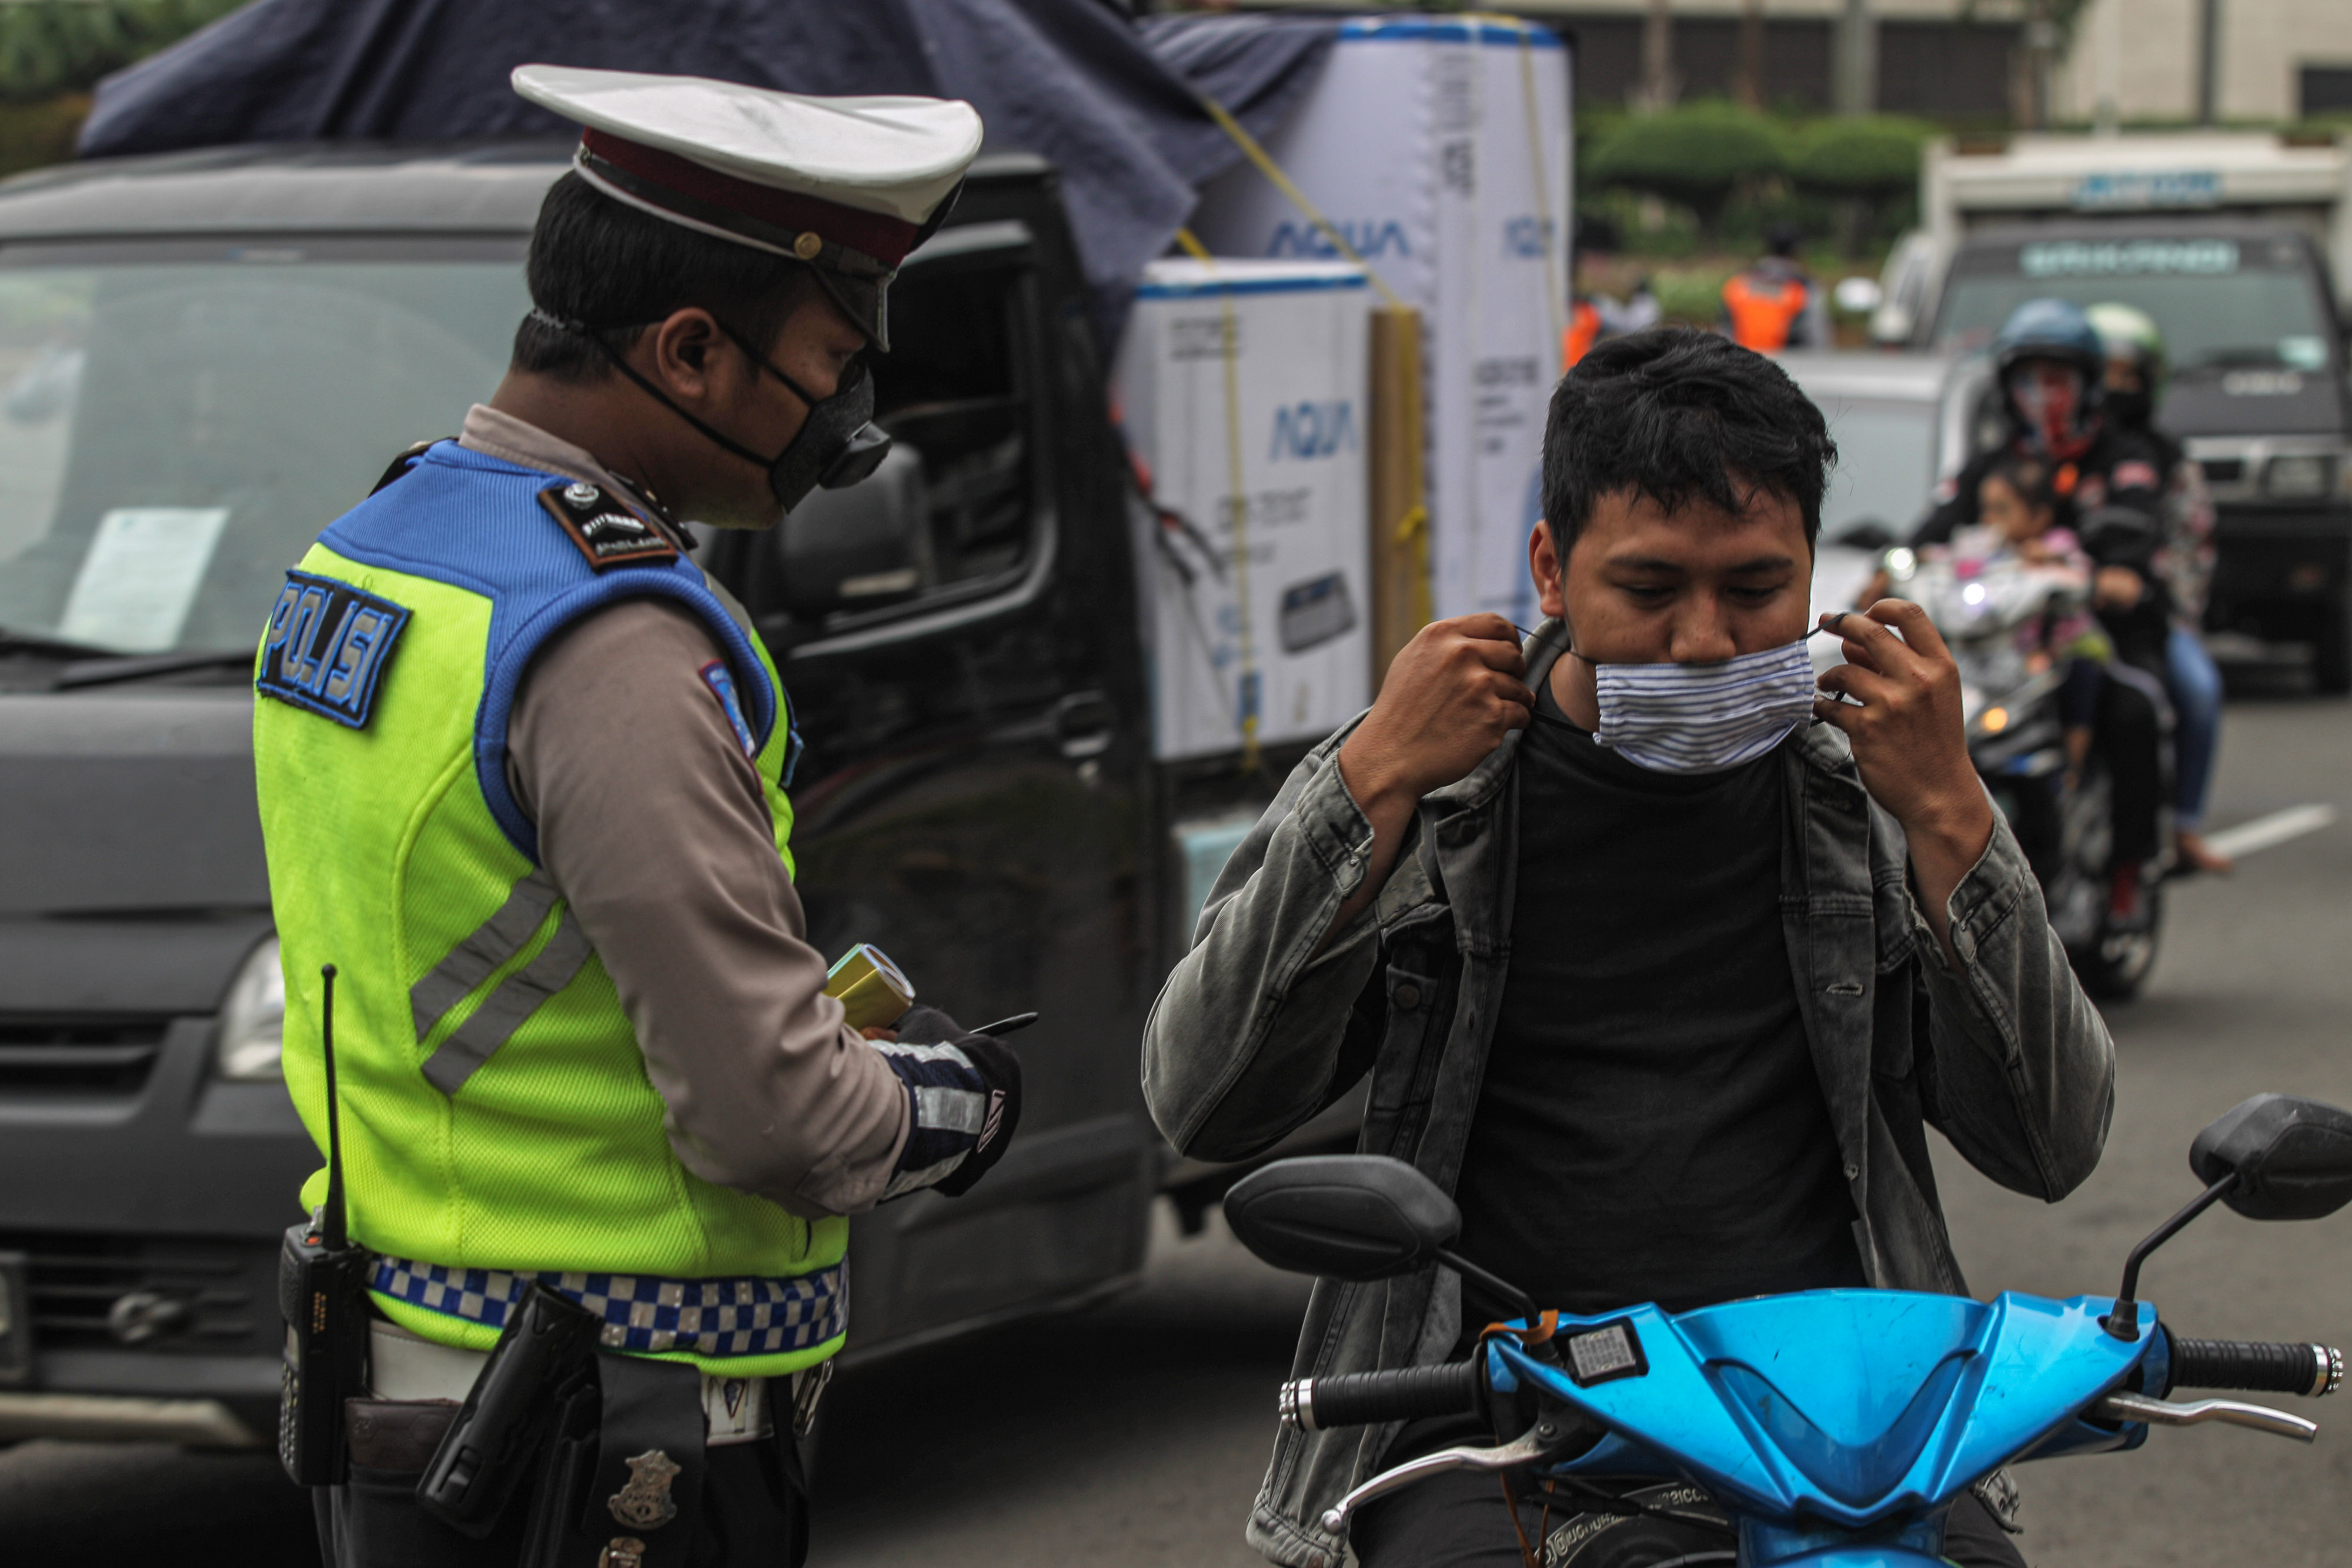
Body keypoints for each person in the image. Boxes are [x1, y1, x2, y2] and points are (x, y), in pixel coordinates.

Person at [1143, 328, 2113, 1568]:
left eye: (1755, 591)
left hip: (1834, 1409)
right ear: (1551, 568)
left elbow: (2052, 1142)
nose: (1703, 640)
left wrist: (1949, 814)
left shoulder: (1874, 799)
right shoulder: (1431, 788)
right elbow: (1200, 1097)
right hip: (1497, 1420)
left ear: (1815, 573)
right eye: (1648, 591)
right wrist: (1369, 780)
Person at [253, 67, 1023, 1567]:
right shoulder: (607, 640)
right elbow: (772, 1115)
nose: (848, 412)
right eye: (828, 359)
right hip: (604, 1429)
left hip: (412, 1370)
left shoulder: (373, 558)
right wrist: (953, 1101)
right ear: (687, 350)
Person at [1913, 297, 2176, 912]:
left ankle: (2127, 870)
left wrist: (2102, 570)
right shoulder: (1994, 462)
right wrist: (1893, 563)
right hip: (2003, 641)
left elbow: (2129, 534)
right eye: (2027, 379)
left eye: (2056, 379)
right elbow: (1935, 526)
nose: (2042, 394)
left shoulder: (2124, 459)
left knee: (2135, 710)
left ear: (2087, 384)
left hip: (2098, 632)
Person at [1946, 454, 2167, 889]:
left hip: (2063, 650)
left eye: (2003, 510)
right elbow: (1944, 563)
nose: (1991, 520)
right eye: (1987, 509)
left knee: (2084, 673)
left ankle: (2074, 759)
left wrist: (2049, 562)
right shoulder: (1983, 551)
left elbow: (2079, 572)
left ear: (2040, 515)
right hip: (2002, 669)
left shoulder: (2057, 544)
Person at [2086, 301, 2231, 874]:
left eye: (2128, 377)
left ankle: (2182, 827)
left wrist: (2152, 595)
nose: (2114, 390)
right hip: (2056, 612)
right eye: (2104, 376)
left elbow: (2191, 543)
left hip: (2144, 611)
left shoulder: (2166, 460)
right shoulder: (2060, 455)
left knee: (2197, 691)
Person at [1719, 222, 1826, 351]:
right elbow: (1816, 337)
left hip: (1742, 363)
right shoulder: (1804, 288)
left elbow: (1724, 332)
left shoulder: (1738, 284)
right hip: (1790, 366)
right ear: (1798, 251)